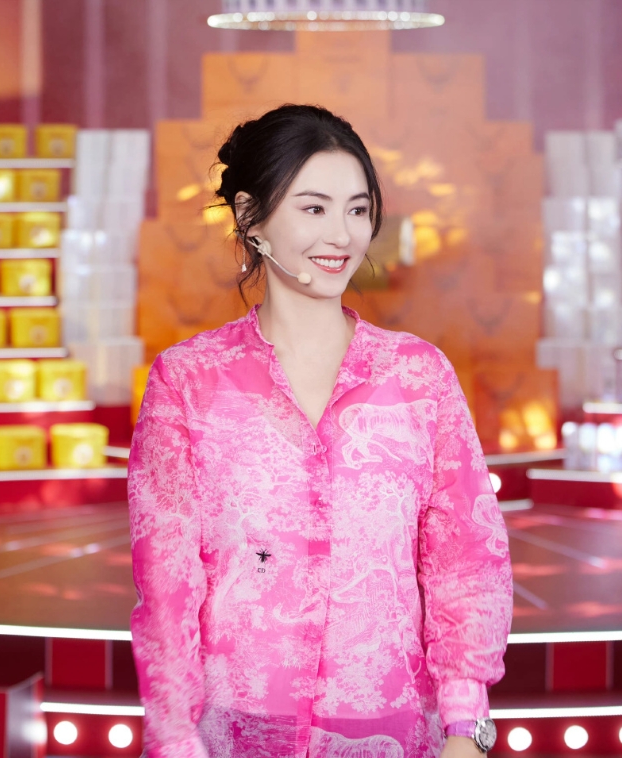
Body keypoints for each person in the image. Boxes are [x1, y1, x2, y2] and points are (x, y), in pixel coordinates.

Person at [127, 104, 513, 758]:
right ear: (251, 217)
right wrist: (173, 739)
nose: (341, 235)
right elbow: (166, 586)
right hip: (232, 733)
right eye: (313, 208)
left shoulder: (417, 375)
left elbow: (466, 558)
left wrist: (465, 728)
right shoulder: (187, 381)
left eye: (357, 210)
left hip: (392, 730)